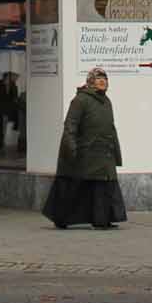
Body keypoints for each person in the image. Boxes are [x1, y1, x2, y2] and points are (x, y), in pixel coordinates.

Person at [42, 67, 124, 229]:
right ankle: (62, 218)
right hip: (86, 152)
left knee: (103, 187)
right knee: (77, 187)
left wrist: (116, 151)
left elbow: (111, 127)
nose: (103, 81)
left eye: (105, 79)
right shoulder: (80, 100)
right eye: (99, 78)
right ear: (91, 81)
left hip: (104, 152)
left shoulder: (107, 101)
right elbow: (70, 126)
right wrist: (71, 148)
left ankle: (102, 219)